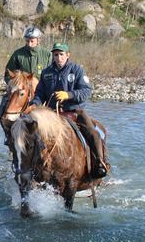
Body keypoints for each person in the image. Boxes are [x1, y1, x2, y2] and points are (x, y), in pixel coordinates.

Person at [30, 42, 108, 178]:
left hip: (75, 113)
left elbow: (86, 91)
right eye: (56, 55)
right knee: (32, 134)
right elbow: (39, 94)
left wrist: (69, 95)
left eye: (61, 54)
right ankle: (29, 167)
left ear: (67, 55)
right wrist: (34, 105)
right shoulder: (46, 73)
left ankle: (100, 163)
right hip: (53, 115)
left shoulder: (77, 70)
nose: (58, 58)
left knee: (93, 134)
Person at [0, 25, 52, 119]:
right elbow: (8, 73)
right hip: (21, 89)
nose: (29, 44)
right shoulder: (18, 54)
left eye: (32, 41)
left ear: (38, 40)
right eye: (27, 41)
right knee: (6, 101)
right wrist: (13, 85)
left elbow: (52, 74)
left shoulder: (47, 55)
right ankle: (4, 121)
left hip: (41, 90)